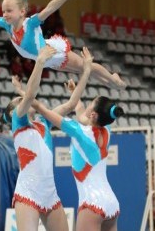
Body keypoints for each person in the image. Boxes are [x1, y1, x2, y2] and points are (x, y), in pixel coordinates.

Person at [1, 46, 92, 230]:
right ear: (13, 114)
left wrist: (87, 70)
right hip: (28, 192)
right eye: (18, 102)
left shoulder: (44, 121)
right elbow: (30, 96)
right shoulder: (18, 123)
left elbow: (71, 104)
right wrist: (40, 62)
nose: (22, 101)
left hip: (50, 193)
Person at [31, 95, 124, 231]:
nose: (87, 105)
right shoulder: (107, 129)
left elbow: (44, 111)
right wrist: (74, 91)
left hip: (92, 204)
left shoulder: (78, 131)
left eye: (91, 103)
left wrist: (25, 95)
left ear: (93, 114)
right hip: (112, 204)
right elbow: (81, 113)